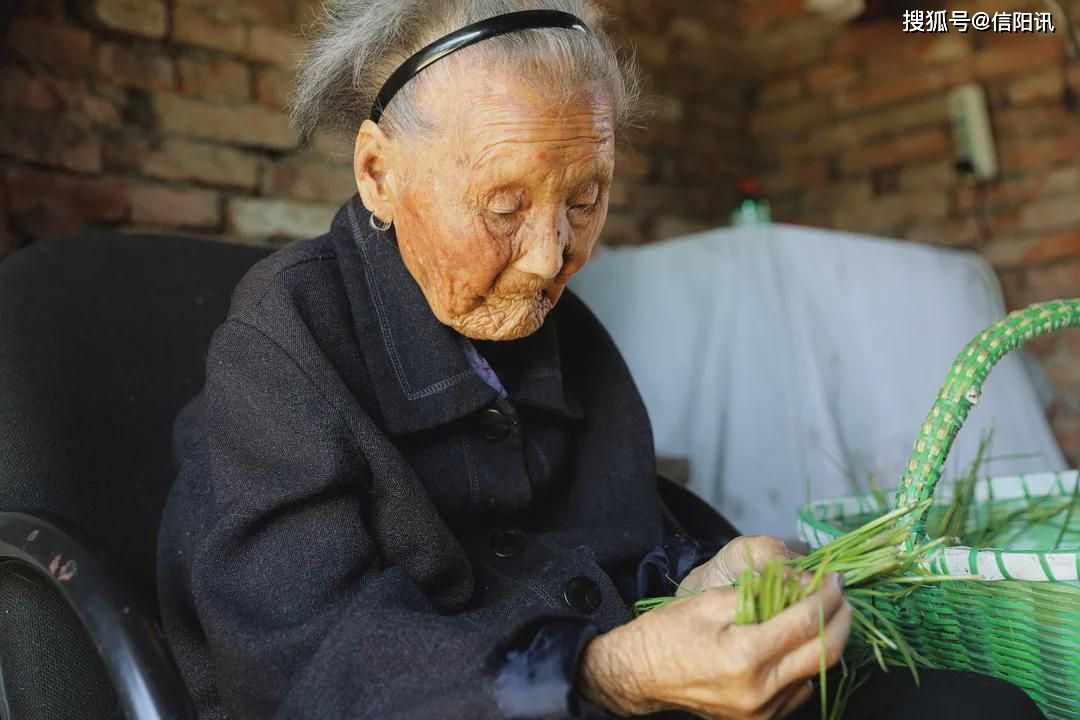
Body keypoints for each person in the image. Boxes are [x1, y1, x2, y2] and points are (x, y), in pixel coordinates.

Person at [156, 2, 1045, 718]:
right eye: (504, 205)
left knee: (979, 705)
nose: (552, 253)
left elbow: (629, 531)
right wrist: (603, 672)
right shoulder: (284, 342)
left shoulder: (561, 328)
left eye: (586, 198)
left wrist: (704, 571)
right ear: (379, 173)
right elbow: (305, 661)